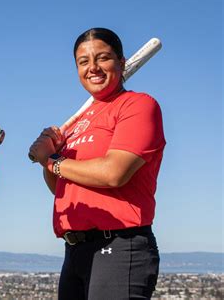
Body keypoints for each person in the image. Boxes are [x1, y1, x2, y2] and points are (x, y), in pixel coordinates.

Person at [29, 27, 166, 300]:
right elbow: (60, 187)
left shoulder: (138, 105)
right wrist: (49, 157)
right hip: (75, 251)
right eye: (83, 61)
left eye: (103, 58)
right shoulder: (79, 123)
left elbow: (113, 173)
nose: (93, 68)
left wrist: (52, 159)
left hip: (119, 245)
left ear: (122, 62)